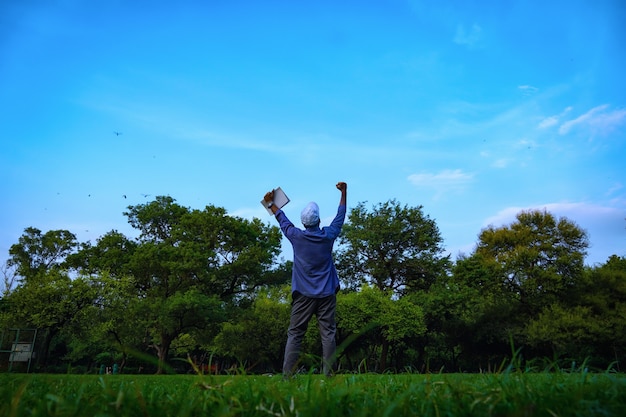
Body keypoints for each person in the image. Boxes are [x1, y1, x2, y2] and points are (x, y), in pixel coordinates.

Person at [264, 182, 347, 377]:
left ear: (303, 223)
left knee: (295, 334)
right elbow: (340, 215)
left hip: (303, 296)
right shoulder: (328, 236)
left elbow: (282, 219)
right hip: (326, 294)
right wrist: (344, 192)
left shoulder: (296, 236)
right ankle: (328, 376)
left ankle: (287, 376)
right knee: (328, 335)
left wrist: (270, 204)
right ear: (318, 221)